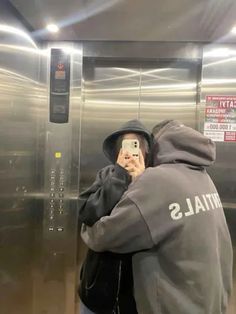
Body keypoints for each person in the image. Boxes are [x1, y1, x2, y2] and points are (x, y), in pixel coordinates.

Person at [81, 120, 233, 314]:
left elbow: (104, 236)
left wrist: (86, 228)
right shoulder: (202, 177)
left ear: (154, 147)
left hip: (176, 304)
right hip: (208, 299)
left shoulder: (156, 180)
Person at [78, 119, 152, 314]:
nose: (130, 152)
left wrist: (141, 184)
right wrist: (118, 179)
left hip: (137, 293)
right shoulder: (106, 175)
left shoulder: (156, 180)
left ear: (146, 151)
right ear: (117, 151)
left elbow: (151, 226)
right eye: (125, 146)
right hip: (98, 287)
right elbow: (87, 213)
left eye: (136, 145)